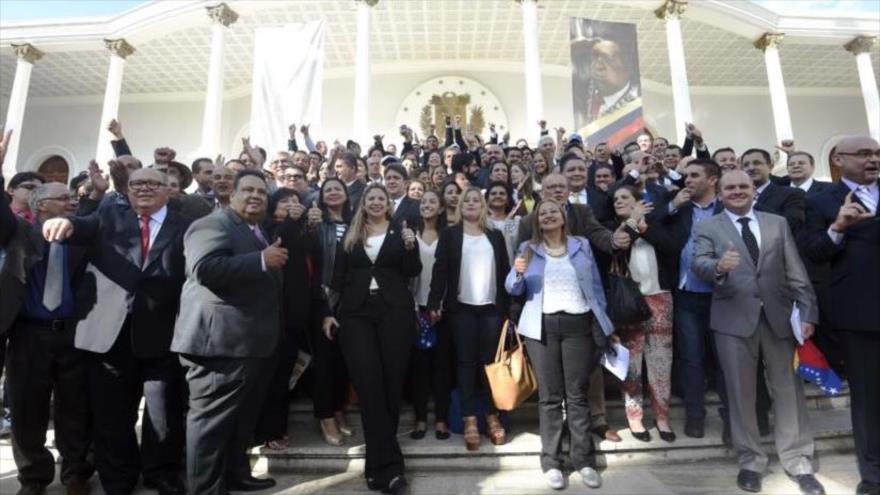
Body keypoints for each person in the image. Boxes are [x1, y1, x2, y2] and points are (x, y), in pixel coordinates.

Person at [42, 168, 190, 495]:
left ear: (169, 191)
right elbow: (84, 224)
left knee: (163, 414)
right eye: (137, 184)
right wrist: (67, 223)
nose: (144, 189)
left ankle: (160, 472)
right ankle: (118, 478)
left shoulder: (186, 225)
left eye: (153, 183)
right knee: (112, 416)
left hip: (162, 334)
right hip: (109, 335)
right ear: (128, 190)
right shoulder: (109, 215)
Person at [692, 170, 824, 495]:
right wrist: (718, 267)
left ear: (755, 190)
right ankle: (751, 460)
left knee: (788, 391)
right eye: (730, 187)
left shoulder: (776, 223)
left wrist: (807, 311)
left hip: (779, 319)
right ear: (719, 193)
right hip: (732, 320)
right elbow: (699, 264)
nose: (737, 191)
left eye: (743, 186)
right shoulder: (706, 226)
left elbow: (795, 269)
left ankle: (798, 461)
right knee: (741, 393)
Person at [170, 170, 282, 495]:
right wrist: (261, 259)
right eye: (247, 189)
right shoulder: (211, 224)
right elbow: (205, 269)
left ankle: (235, 475)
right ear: (230, 194)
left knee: (239, 421)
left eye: (262, 191)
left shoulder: (254, 229)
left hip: (247, 343)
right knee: (210, 426)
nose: (256, 196)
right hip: (217, 345)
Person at [505, 199, 613, 490]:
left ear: (564, 216)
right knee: (550, 397)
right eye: (543, 213)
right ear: (537, 221)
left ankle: (584, 460)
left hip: (579, 325)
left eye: (554, 211)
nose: (549, 215)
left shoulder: (581, 244)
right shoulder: (527, 247)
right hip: (541, 327)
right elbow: (514, 289)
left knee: (576, 395)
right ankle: (551, 462)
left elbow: (595, 286)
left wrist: (604, 323)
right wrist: (516, 272)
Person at [321, 184, 421, 494]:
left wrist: (410, 246)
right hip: (355, 315)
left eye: (381, 198)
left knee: (391, 386)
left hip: (395, 313)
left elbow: (413, 270)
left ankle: (378, 469)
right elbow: (335, 279)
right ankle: (391, 469)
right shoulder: (351, 236)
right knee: (369, 385)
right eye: (371, 198)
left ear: (389, 204)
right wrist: (327, 312)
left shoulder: (400, 232)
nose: (376, 202)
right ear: (363, 204)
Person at [517, 172, 630, 443]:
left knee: (589, 370)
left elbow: (600, 236)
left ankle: (597, 421)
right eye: (550, 187)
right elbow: (521, 265)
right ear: (542, 193)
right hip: (545, 308)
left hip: (583, 303)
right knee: (553, 381)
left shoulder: (582, 211)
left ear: (569, 190)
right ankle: (559, 431)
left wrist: (614, 241)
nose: (556, 190)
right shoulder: (528, 221)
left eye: (561, 186)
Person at [2, 183, 93, 495]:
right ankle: (33, 477)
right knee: (28, 409)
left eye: (72, 197)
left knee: (75, 407)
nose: (71, 202)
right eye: (62, 198)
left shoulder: (81, 236)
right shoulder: (20, 233)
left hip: (74, 333)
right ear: (40, 205)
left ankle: (75, 472)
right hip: (29, 334)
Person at [803, 135, 879, 495]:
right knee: (867, 398)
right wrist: (838, 228)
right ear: (838, 158)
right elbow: (814, 255)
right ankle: (873, 473)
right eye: (864, 153)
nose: (873, 159)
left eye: (877, 153)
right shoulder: (820, 202)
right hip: (858, 313)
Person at [428, 187, 510, 451]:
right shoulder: (450, 235)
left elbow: (505, 273)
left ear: (483, 206)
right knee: (465, 364)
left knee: (488, 364)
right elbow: (440, 270)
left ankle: (491, 416)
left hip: (491, 309)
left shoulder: (495, 236)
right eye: (467, 201)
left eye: (477, 200)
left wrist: (509, 311)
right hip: (461, 308)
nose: (472, 204)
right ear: (460, 207)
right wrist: (433, 302)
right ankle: (469, 419)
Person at [611, 186, 681, 442]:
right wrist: (631, 222)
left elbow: (672, 247)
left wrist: (643, 225)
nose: (619, 200)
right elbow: (616, 249)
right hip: (630, 305)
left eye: (625, 197)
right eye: (616, 198)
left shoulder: (654, 225)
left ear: (639, 202)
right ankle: (635, 418)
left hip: (661, 298)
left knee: (661, 362)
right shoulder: (613, 230)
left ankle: (662, 418)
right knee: (632, 366)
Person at [665, 159, 725, 440]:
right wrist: (672, 206)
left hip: (723, 295)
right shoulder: (681, 207)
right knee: (691, 358)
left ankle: (732, 416)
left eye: (694, 175)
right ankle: (695, 415)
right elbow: (655, 228)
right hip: (687, 295)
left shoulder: (727, 208)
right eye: (686, 176)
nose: (687, 180)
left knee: (725, 358)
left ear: (712, 179)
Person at [255, 188, 318, 450]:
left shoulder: (303, 228)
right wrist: (294, 220)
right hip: (273, 316)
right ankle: (269, 432)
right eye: (285, 201)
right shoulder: (266, 227)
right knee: (272, 377)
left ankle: (276, 428)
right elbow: (279, 241)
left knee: (285, 376)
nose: (293, 205)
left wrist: (311, 226)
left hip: (297, 315)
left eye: (296, 201)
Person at [306, 177, 354, 445]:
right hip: (322, 300)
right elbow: (311, 268)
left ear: (347, 195)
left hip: (347, 302)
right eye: (328, 190)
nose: (334, 193)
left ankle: (338, 409)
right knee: (324, 363)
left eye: (338, 189)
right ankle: (325, 416)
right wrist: (324, 305)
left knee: (340, 361)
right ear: (321, 197)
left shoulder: (354, 225)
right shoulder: (315, 224)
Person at [410, 190, 452, 441]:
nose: (426, 205)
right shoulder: (409, 234)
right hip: (415, 308)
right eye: (423, 202)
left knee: (442, 368)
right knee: (419, 369)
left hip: (442, 309)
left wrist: (441, 304)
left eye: (432, 202)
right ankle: (420, 418)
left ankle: (441, 419)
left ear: (440, 208)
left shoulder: (448, 235)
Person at [741, 148, 805, 235]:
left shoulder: (793, 194)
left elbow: (791, 225)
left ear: (770, 167)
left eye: (757, 163)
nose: (751, 168)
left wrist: (753, 202)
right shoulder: (735, 198)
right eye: (746, 165)